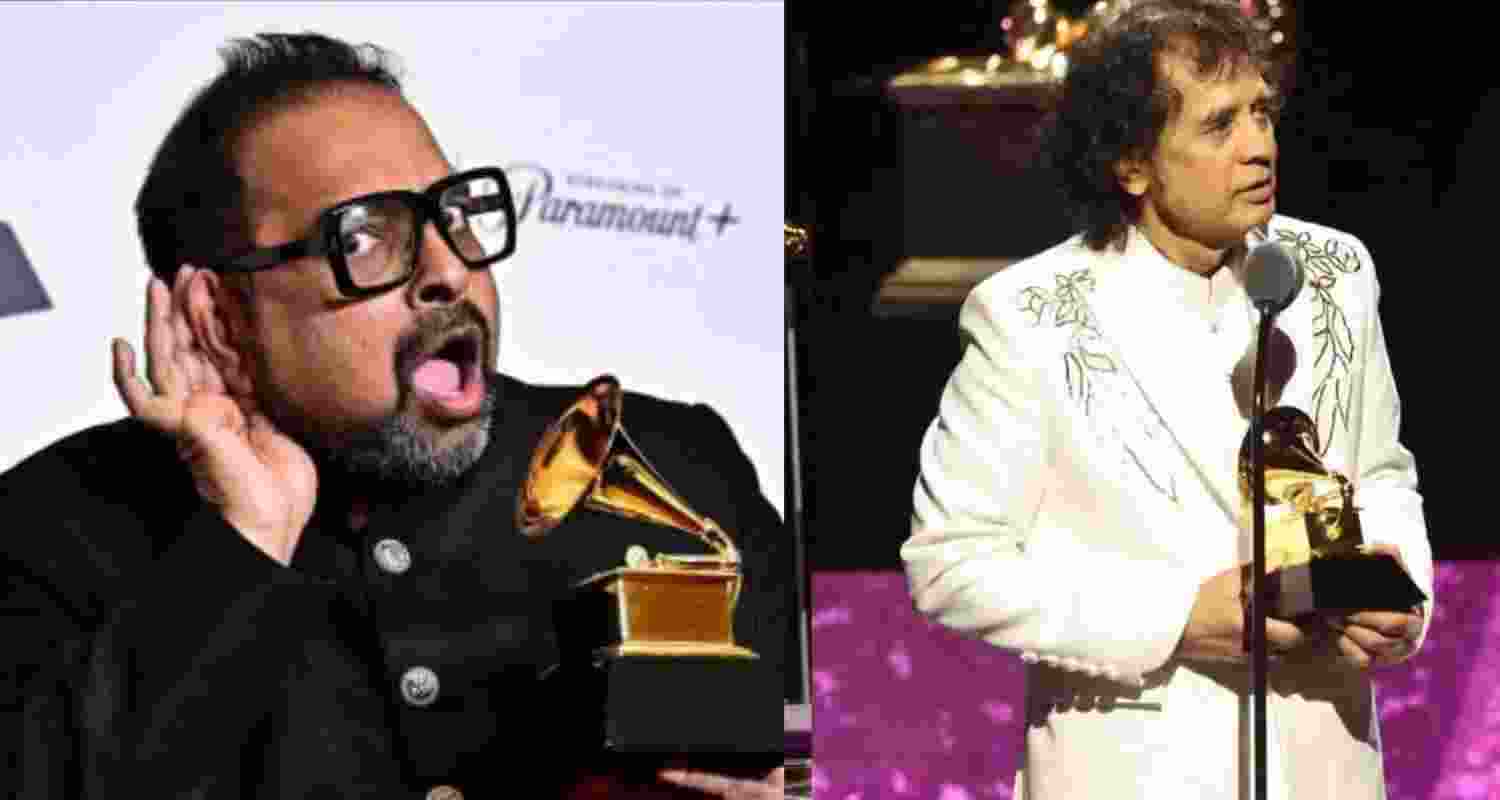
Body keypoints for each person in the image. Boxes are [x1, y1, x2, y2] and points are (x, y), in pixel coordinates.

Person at [0, 33, 791, 799]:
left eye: (455, 214)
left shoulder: (674, 463)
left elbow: (869, 750)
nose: (449, 270)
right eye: (370, 235)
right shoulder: (52, 524)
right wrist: (243, 539)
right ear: (219, 314)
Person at [901, 1, 1432, 798]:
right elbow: (949, 563)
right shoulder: (1030, 316)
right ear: (1133, 162)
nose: (1260, 147)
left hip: (1326, 761)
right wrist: (1178, 617)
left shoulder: (1336, 273)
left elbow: (1383, 473)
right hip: (1138, 767)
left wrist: (1399, 590)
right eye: (1219, 126)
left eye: (1262, 112)